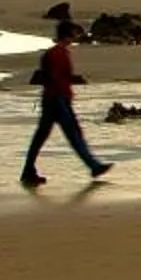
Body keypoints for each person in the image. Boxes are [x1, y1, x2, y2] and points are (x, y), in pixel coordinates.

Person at [22, 19, 113, 187]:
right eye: (73, 34)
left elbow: (54, 77)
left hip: (53, 98)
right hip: (58, 100)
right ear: (67, 35)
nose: (75, 37)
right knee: (73, 134)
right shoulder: (59, 54)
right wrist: (68, 88)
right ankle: (94, 166)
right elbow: (56, 78)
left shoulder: (56, 53)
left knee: (42, 136)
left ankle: (28, 170)